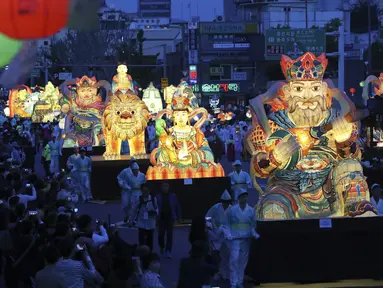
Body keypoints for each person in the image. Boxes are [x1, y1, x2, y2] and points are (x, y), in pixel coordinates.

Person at [223, 188, 260, 288]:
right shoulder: (231, 210)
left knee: (242, 262)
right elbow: (226, 224)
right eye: (242, 196)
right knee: (234, 260)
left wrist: (254, 233)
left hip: (246, 239)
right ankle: (233, 283)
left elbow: (253, 225)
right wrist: (228, 235)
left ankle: (239, 282)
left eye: (246, 196)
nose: (245, 198)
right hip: (234, 239)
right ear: (238, 198)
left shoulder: (251, 210)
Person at [206, 189, 232, 280]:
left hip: (227, 235)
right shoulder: (216, 208)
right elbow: (208, 217)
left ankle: (226, 273)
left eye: (227, 202)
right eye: (224, 202)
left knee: (227, 255)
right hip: (217, 234)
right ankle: (217, 272)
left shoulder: (232, 209)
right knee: (216, 255)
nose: (226, 204)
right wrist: (209, 227)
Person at [156, 181, 181, 258]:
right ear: (161, 187)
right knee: (161, 235)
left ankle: (168, 251)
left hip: (170, 218)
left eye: (167, 186)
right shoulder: (158, 196)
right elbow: (155, 207)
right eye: (164, 186)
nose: (165, 188)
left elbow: (177, 206)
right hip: (161, 218)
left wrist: (179, 217)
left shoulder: (173, 196)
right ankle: (162, 247)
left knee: (170, 235)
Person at [135, 184, 158, 251]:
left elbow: (157, 208)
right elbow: (134, 209)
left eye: (147, 191)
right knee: (142, 240)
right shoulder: (139, 199)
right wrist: (130, 220)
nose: (146, 193)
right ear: (141, 191)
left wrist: (154, 212)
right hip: (141, 223)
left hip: (150, 223)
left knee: (150, 241)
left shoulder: (153, 198)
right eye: (144, 191)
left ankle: (149, 254)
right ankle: (142, 255)